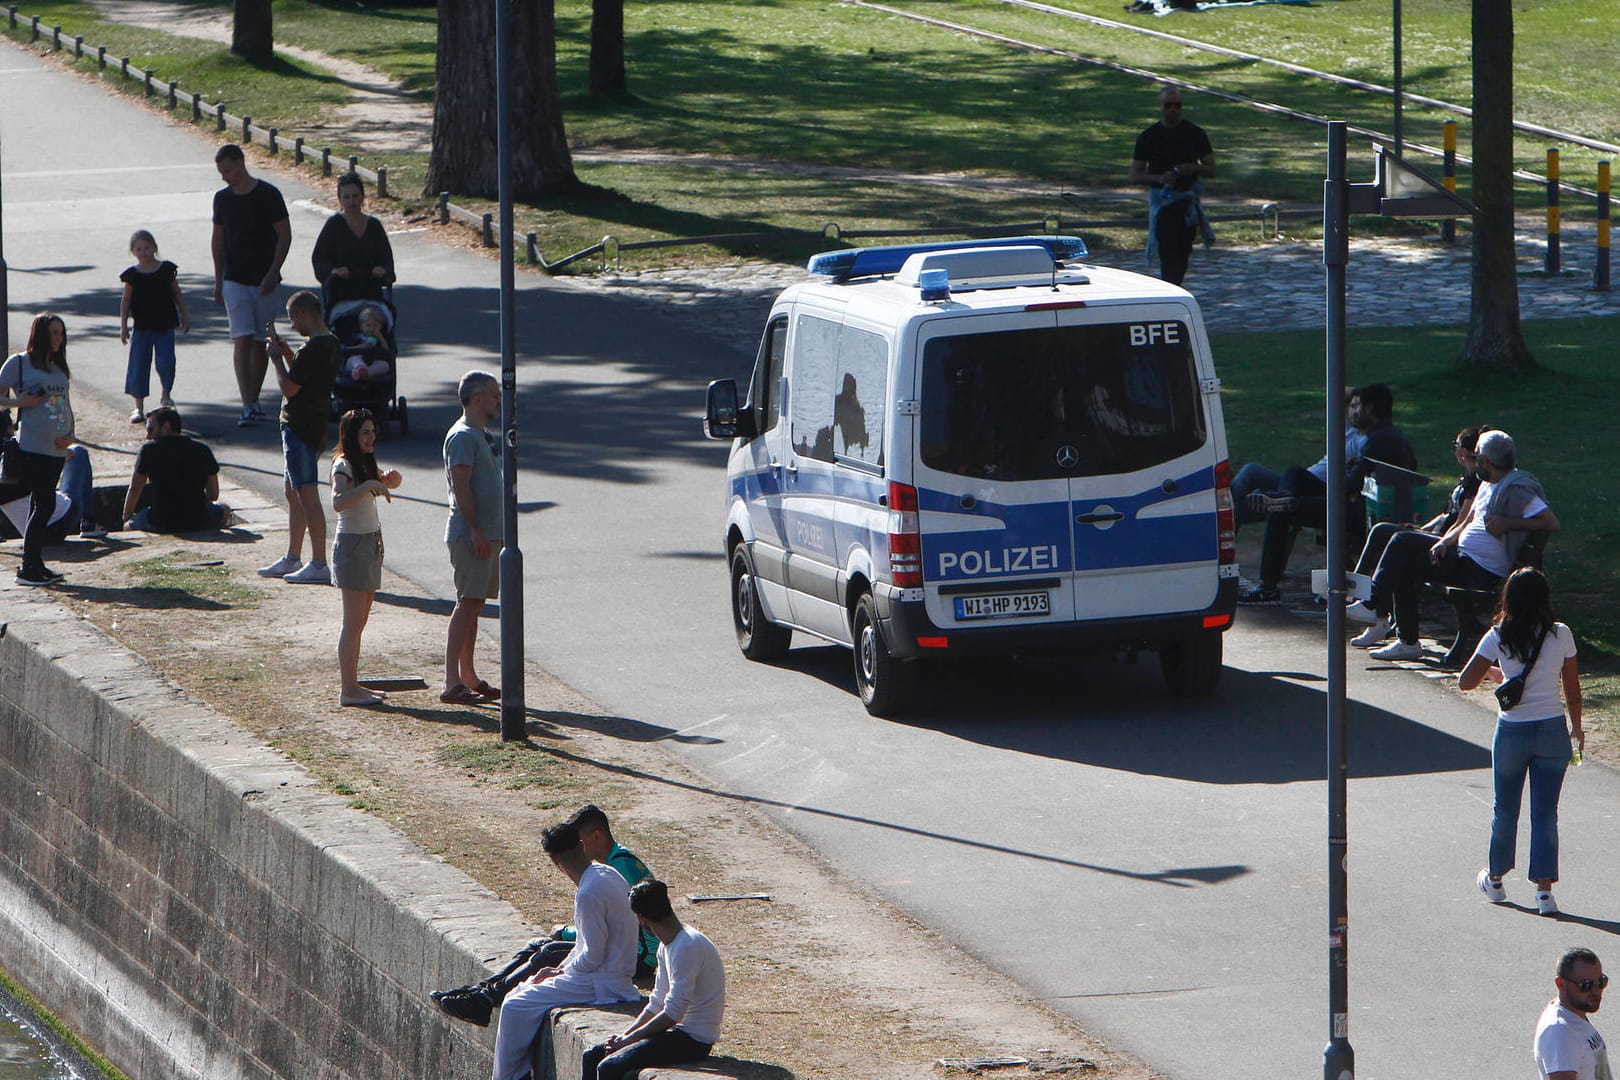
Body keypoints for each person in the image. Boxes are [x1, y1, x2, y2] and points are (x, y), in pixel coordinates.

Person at [432, 804, 660, 1026]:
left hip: (638, 956)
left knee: (549, 952)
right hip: (623, 949)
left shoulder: (616, 869)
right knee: (537, 945)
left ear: (593, 837)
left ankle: (486, 999)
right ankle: (481, 992)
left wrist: (566, 934)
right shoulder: (610, 865)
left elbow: (622, 924)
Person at [1352, 429, 1558, 661]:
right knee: (1401, 554)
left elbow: (1550, 521)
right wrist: (1445, 541)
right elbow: (1468, 521)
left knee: (1401, 541)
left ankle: (1373, 603)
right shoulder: (1488, 482)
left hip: (1478, 570)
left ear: (1487, 461)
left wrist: (1507, 522)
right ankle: (1406, 640)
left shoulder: (1517, 487)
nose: (1473, 459)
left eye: (1477, 456)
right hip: (1461, 555)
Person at [1459, 568, 1582, 916]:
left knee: (1505, 808)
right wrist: (1578, 728)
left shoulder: (1498, 635)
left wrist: (1497, 672)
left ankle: (1496, 878)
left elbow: (1465, 682)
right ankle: (1545, 893)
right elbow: (1571, 690)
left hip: (1512, 731)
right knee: (1545, 813)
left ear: (1507, 598)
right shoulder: (1561, 634)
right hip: (1552, 730)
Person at [489, 821, 640, 1080]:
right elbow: (586, 944)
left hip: (601, 981)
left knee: (514, 1004)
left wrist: (562, 973)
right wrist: (558, 969)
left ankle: (510, 1076)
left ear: (554, 861)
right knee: (523, 990)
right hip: (610, 971)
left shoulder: (589, 892)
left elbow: (593, 954)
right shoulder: (606, 873)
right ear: (581, 844)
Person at [1239, 384, 1414, 604]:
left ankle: (1267, 587)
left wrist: (1308, 501)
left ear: (1370, 409)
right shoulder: (1383, 436)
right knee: (1295, 475)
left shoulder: (1380, 441)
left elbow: (1355, 485)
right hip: (1354, 503)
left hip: (1360, 512)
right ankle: (1284, 497)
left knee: (1283, 512)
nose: (1353, 411)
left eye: (1358, 406)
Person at [1346, 425, 1487, 648]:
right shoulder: (1466, 478)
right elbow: (1446, 515)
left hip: (1448, 544)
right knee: (1381, 530)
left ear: (1462, 451)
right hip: (1439, 536)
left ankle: (1372, 605)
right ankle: (1358, 593)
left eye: (1456, 446)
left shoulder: (1477, 482)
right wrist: (1422, 527)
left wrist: (1437, 538)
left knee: (1399, 543)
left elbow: (1462, 521)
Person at [580, 880, 726, 1080]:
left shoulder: (687, 946)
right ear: (668, 901)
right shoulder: (666, 946)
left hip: (693, 1039)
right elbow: (657, 1002)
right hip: (674, 1032)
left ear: (640, 918)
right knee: (592, 1055)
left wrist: (629, 1040)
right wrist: (624, 1037)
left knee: (609, 1067)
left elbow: (673, 1012)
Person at [258, 291, 339, 585]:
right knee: (293, 493)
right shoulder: (329, 344)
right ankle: (293, 556)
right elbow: (307, 374)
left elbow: (291, 388)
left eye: (293, 319)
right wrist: (289, 353)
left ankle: (318, 562)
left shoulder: (311, 349)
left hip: (299, 427)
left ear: (305, 315)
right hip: (313, 426)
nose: (293, 326)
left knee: (306, 495)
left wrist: (276, 361)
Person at [211, 143, 291, 428]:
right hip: (234, 279)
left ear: (241, 164)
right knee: (242, 338)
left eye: (228, 170)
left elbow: (284, 235)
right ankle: (246, 404)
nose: (225, 177)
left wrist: (273, 272)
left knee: (260, 341)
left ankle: (254, 400)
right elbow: (218, 240)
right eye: (221, 172)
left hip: (264, 281)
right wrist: (219, 280)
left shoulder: (268, 195)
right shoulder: (222, 199)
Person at [330, 408, 401, 706]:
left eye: (373, 431)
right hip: (353, 546)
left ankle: (355, 684)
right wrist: (369, 486)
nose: (371, 438)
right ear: (352, 435)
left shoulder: (364, 462)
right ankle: (348, 689)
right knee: (352, 622)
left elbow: (383, 485)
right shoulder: (343, 464)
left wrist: (390, 479)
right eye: (365, 433)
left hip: (371, 543)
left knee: (360, 622)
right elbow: (338, 502)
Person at [441, 370, 504, 705]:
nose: (499, 401)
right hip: (471, 537)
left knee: (474, 604)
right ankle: (451, 681)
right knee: (466, 604)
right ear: (478, 399)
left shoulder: (481, 433)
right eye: (494, 395)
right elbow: (460, 486)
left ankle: (468, 675)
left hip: (488, 536)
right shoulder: (463, 436)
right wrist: (477, 530)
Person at [0, 313, 76, 586]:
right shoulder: (20, 363)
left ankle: (35, 563)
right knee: (44, 503)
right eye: (54, 332)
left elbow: (64, 406)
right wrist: (18, 402)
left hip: (56, 447)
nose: (59, 338)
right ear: (41, 334)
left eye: (61, 333)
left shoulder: (58, 369)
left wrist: (70, 434)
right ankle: (28, 567)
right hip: (32, 446)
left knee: (43, 504)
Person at [1128, 85, 1216, 286]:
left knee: (1183, 250)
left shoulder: (1195, 133)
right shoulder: (1149, 137)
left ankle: (1176, 285)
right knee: (1168, 250)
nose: (1173, 110)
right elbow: (1134, 175)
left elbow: (1211, 169)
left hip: (1187, 201)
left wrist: (1192, 167)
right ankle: (1171, 286)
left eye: (1178, 106)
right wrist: (1159, 179)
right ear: (1160, 106)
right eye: (1169, 105)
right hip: (1163, 202)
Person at [119, 229, 191, 424]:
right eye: (139, 249)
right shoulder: (132, 275)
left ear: (154, 247)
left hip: (164, 325)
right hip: (141, 327)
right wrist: (124, 326)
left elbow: (177, 294)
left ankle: (166, 395)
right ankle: (138, 407)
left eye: (147, 247)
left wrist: (185, 314)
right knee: (138, 366)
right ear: (133, 252)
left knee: (166, 362)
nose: (144, 252)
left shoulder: (166, 270)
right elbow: (126, 301)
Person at [121, 406, 231, 533]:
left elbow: (135, 488)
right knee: (225, 510)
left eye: (151, 430)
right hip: (199, 519)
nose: (148, 436)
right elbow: (213, 495)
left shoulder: (148, 450)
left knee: (128, 526)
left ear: (166, 426)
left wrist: (127, 516)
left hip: (160, 521)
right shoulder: (202, 450)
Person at [0, 407, 94, 542]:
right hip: (63, 518)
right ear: (9, 428)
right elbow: (67, 455)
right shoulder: (19, 449)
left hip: (32, 536)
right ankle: (89, 522)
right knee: (78, 452)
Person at [311, 171, 396, 307]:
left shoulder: (374, 226)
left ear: (362, 197)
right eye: (347, 197)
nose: (351, 201)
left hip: (372, 296)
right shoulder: (333, 225)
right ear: (340, 199)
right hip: (341, 297)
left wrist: (382, 270)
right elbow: (319, 260)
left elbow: (386, 260)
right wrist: (334, 271)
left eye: (355, 196)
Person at [1535, 947, 1610, 1080]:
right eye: (1585, 985)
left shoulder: (1573, 1014)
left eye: (1600, 982)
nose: (1596, 991)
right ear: (1561, 984)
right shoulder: (1560, 1032)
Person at [341, 305, 392, 382]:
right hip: (357, 361)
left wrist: (380, 337)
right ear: (361, 327)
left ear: (380, 326)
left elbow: (387, 350)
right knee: (353, 360)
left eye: (376, 325)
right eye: (368, 325)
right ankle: (360, 369)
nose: (372, 328)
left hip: (373, 361)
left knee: (385, 365)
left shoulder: (382, 338)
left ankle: (366, 372)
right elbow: (349, 349)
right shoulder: (356, 337)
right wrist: (365, 346)